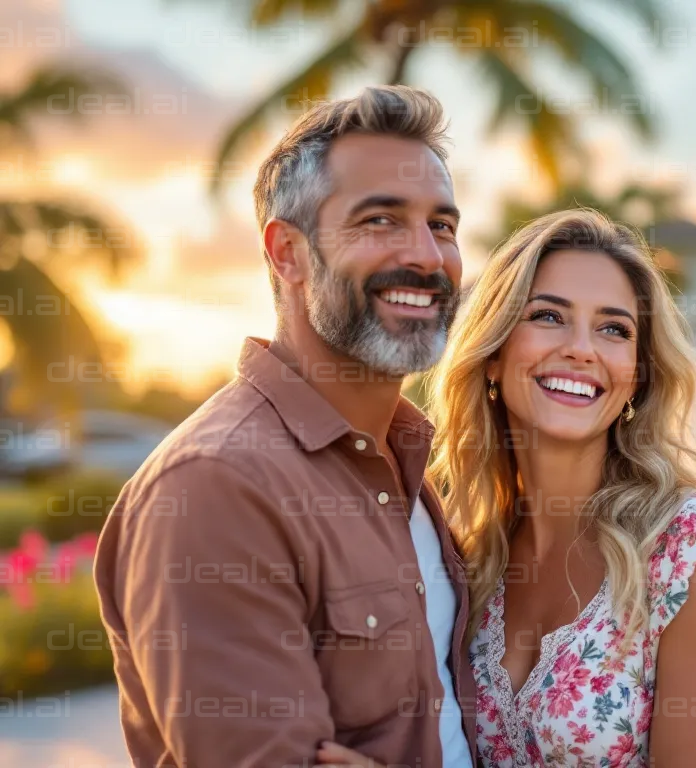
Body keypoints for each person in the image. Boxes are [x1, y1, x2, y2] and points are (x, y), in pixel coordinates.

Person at [94, 85, 476, 767]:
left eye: (442, 225)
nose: (427, 256)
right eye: (381, 220)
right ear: (287, 254)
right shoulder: (218, 486)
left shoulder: (406, 466)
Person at [317, 209, 696, 768]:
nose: (583, 349)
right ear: (493, 354)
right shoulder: (467, 554)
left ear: (639, 373)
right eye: (548, 316)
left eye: (614, 329)